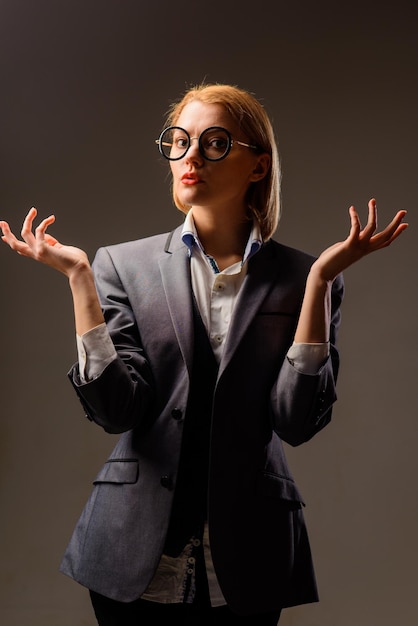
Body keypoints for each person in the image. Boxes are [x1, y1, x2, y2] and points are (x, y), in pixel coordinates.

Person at [0, 83, 408, 626]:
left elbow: (295, 421)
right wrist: (79, 280)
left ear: (258, 167)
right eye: (179, 141)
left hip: (251, 552)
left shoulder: (303, 277)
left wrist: (319, 283)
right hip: (133, 549)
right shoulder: (121, 266)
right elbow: (117, 411)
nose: (190, 156)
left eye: (215, 143)